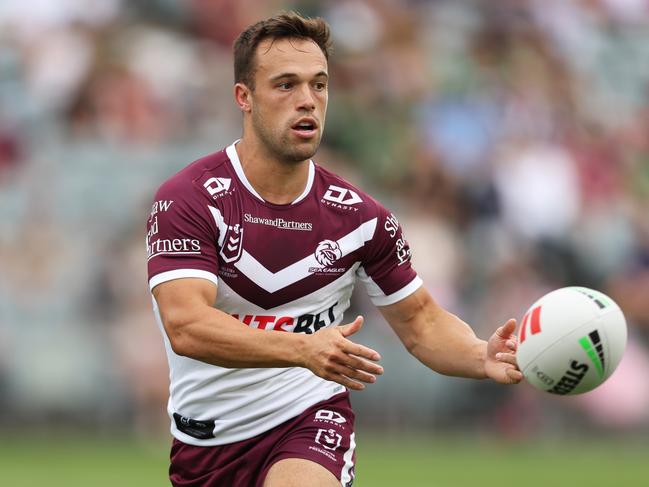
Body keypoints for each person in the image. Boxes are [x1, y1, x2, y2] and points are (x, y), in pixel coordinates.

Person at [146, 11, 522, 487]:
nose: (307, 100)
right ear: (244, 97)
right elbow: (187, 326)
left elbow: (422, 323)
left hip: (308, 419)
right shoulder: (190, 198)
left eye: (319, 85)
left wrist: (479, 355)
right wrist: (303, 348)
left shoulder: (362, 219)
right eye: (286, 85)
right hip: (205, 446)